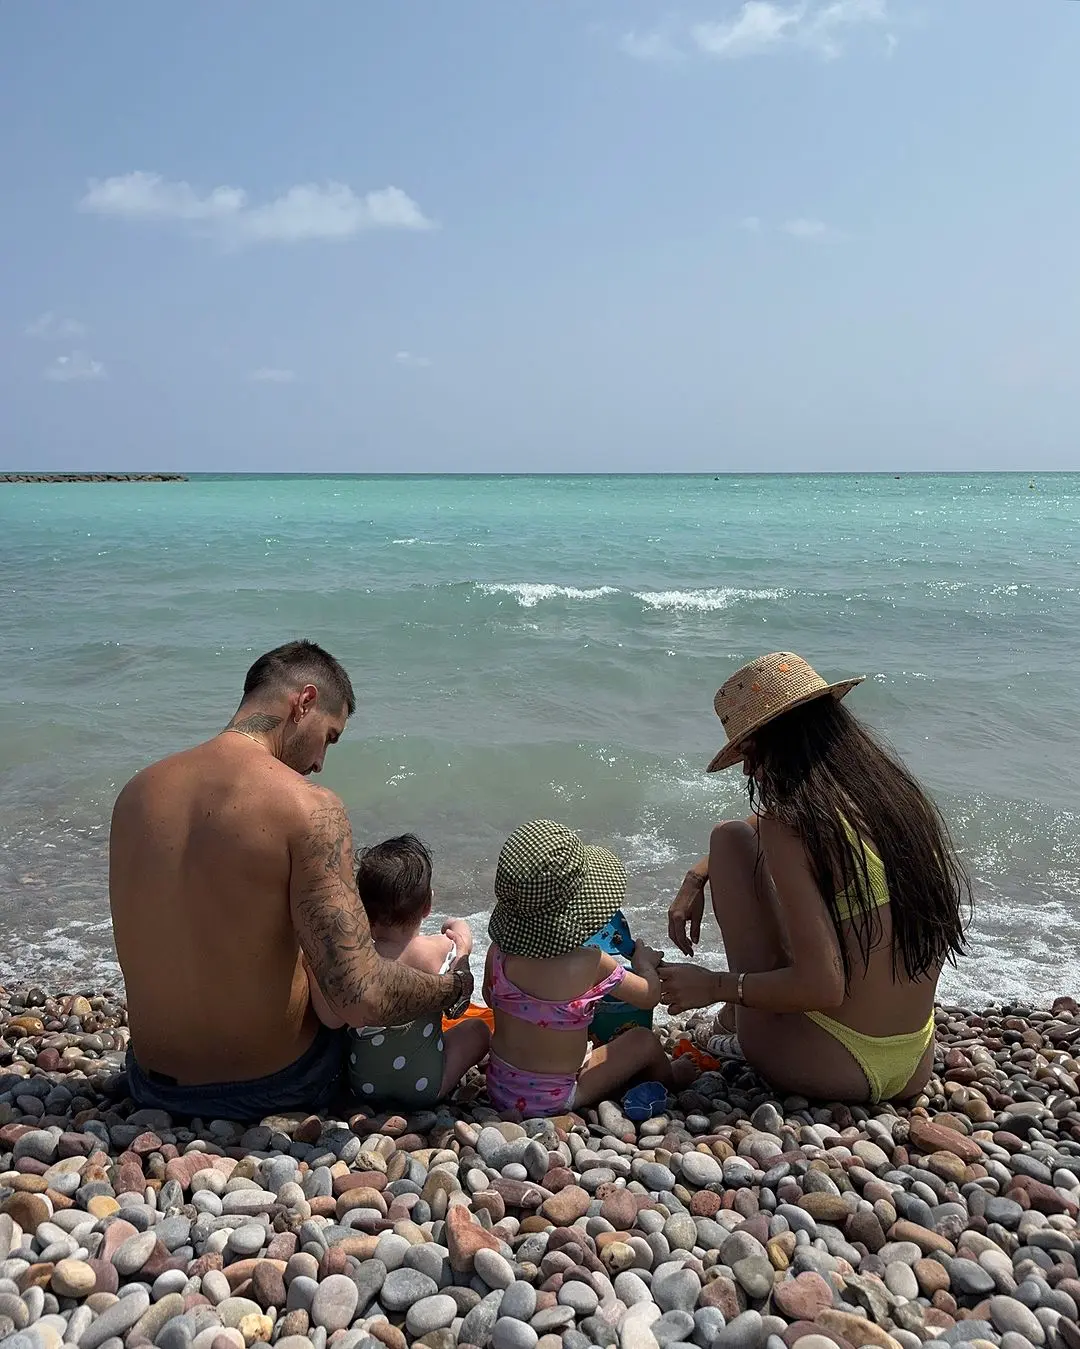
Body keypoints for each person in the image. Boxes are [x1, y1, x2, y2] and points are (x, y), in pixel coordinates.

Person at [110, 639, 470, 1119]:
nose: (321, 761)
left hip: (150, 1082)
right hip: (271, 1086)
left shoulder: (136, 792)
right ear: (305, 702)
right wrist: (453, 988)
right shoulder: (309, 806)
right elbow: (360, 996)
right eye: (330, 735)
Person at [659, 652, 970, 1104]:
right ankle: (734, 1017)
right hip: (913, 1061)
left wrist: (714, 985)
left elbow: (822, 986)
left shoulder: (793, 828)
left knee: (728, 840)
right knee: (739, 843)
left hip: (830, 1064)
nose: (748, 771)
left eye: (750, 753)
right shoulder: (897, 802)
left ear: (779, 743)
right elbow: (766, 823)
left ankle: (734, 1019)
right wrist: (695, 874)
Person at [483, 819, 675, 1115]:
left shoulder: (499, 953)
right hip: (556, 1098)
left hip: (499, 1087)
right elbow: (650, 995)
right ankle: (672, 1085)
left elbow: (488, 996)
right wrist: (643, 962)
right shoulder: (591, 962)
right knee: (643, 1040)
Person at [306, 833, 489, 1108]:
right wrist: (461, 936)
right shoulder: (438, 949)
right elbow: (462, 946)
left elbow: (331, 1017)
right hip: (425, 1086)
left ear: (362, 910)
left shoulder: (356, 962)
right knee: (478, 1030)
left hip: (363, 1087)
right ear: (428, 906)